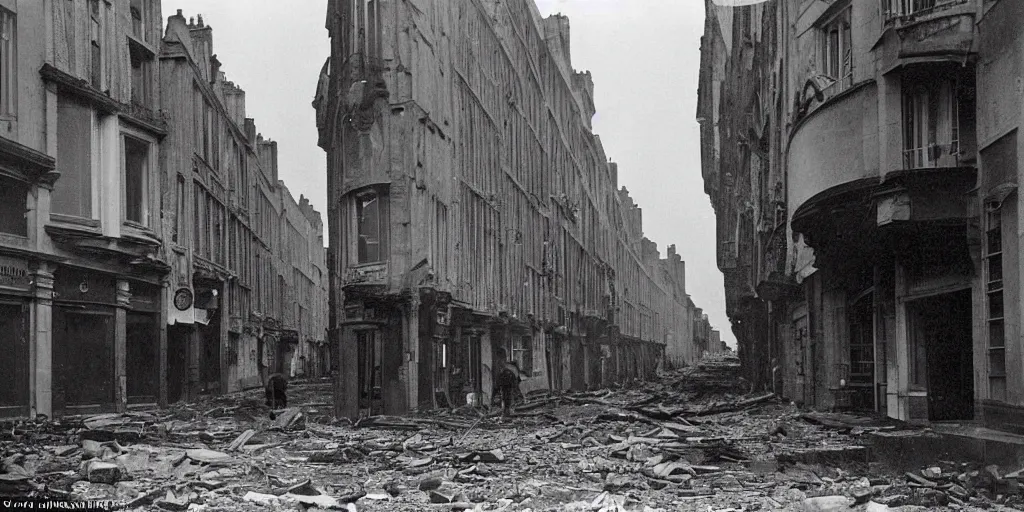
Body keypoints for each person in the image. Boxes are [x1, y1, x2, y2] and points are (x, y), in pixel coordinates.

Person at [494, 350, 524, 416]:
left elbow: (516, 380)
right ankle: (506, 411)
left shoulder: (510, 368)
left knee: (508, 398)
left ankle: (507, 411)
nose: (499, 361)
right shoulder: (501, 368)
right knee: (505, 398)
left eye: (500, 359)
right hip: (505, 387)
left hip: (509, 387)